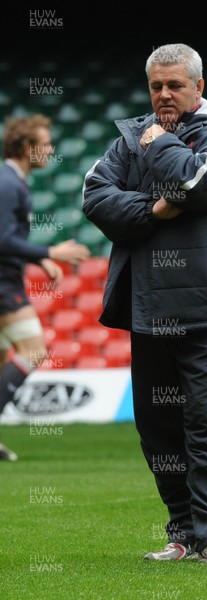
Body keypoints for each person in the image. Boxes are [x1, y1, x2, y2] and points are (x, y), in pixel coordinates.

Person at [83, 43, 207, 564]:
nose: (163, 95)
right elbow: (94, 195)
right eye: (156, 85)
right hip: (149, 309)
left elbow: (199, 181)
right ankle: (182, 532)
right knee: (159, 433)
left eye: (175, 85)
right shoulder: (128, 138)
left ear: (199, 87)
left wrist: (158, 144)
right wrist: (155, 211)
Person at [0, 114, 90, 460]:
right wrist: (50, 251)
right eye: (45, 143)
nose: (51, 149)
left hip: (8, 278)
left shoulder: (13, 180)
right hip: (4, 285)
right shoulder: (9, 184)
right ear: (27, 148)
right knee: (34, 350)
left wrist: (39, 260)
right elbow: (3, 238)